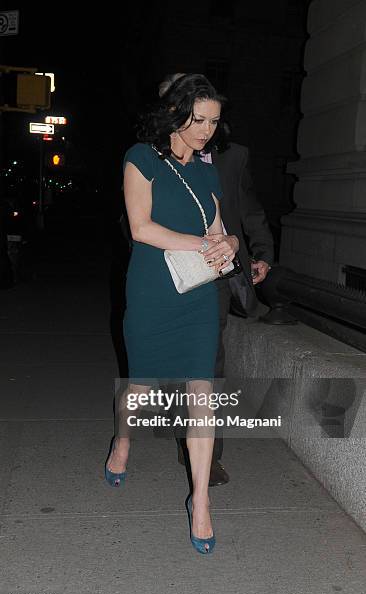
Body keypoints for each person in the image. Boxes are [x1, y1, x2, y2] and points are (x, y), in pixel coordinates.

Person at [104, 74, 240, 554]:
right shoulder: (141, 158)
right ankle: (123, 441)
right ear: (174, 112)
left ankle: (200, 502)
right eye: (197, 119)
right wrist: (206, 244)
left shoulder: (207, 169)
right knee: (139, 391)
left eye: (213, 122)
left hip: (198, 296)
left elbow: (220, 227)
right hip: (153, 293)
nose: (205, 130)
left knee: (202, 389)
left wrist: (231, 244)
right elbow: (141, 228)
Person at [158, 74, 274, 486]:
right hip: (168, 275)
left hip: (216, 275)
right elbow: (131, 220)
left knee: (210, 364)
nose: (202, 128)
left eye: (209, 119)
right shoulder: (152, 157)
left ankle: (207, 454)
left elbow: (250, 208)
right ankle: (181, 428)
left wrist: (260, 254)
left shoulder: (233, 156)